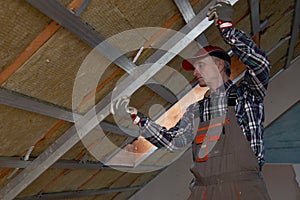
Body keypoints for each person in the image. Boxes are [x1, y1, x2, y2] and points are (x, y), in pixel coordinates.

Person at [111, 0, 271, 199]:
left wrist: (227, 29)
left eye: (200, 66)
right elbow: (173, 142)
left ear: (220, 65)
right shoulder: (196, 110)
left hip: (244, 189)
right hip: (203, 191)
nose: (195, 72)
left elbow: (261, 64)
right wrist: (137, 119)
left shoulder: (246, 95)